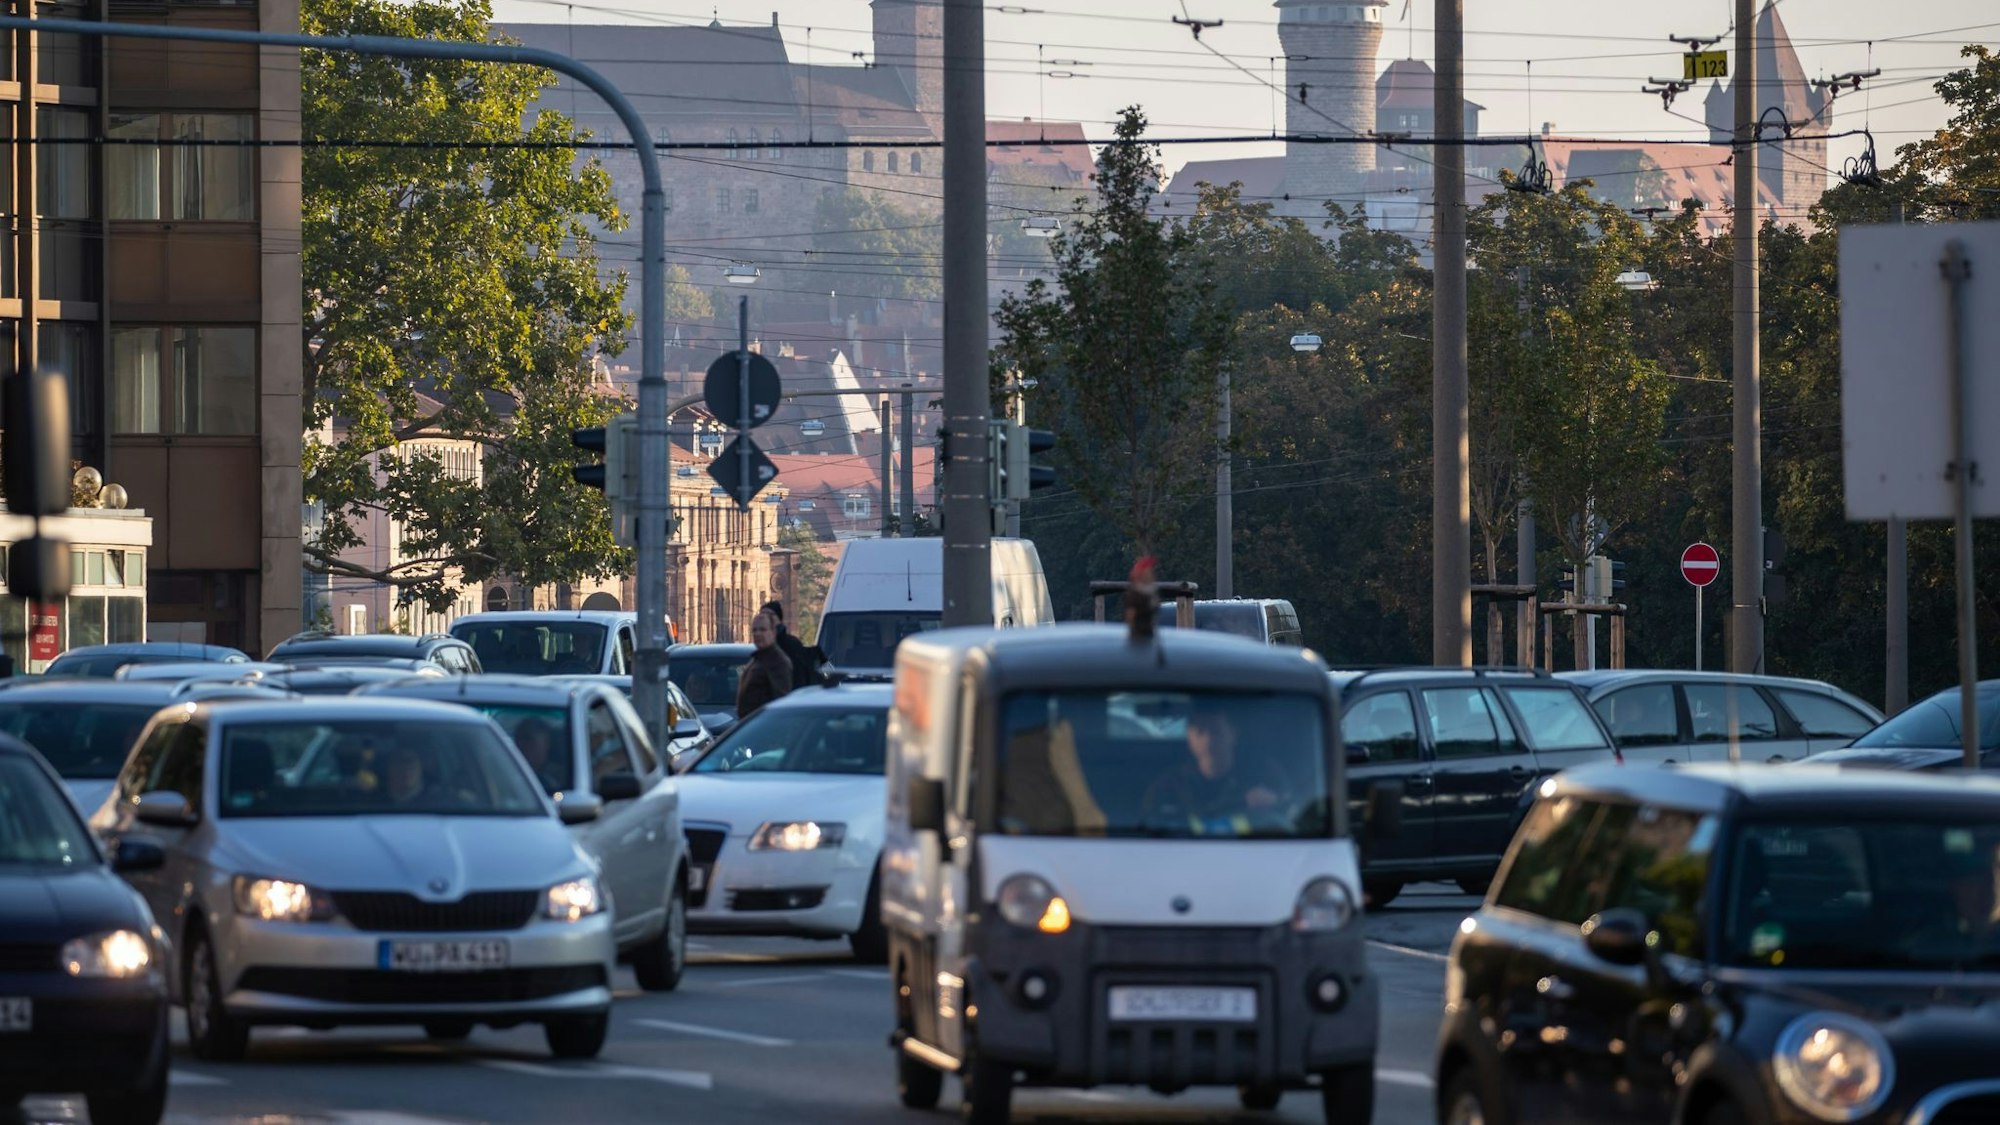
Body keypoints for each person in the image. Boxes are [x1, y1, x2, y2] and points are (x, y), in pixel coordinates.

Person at [1140, 703, 1287, 835]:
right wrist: (1242, 801)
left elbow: (1292, 812)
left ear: (1233, 735)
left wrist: (1274, 801)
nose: (1208, 740)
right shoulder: (1167, 786)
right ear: (1189, 739)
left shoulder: (1264, 775)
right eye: (1200, 732)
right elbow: (1148, 829)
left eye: (1216, 731)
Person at [737, 611, 794, 718]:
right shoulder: (757, 659)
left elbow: (780, 702)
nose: (757, 634)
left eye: (763, 629)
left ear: (773, 632)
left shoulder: (777, 661)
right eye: (754, 630)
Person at [761, 600, 824, 687]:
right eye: (762, 616)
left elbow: (798, 676)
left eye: (769, 615)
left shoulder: (791, 644)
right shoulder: (762, 648)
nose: (765, 619)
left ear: (778, 619)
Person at [512, 717, 565, 794]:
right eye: (519, 740)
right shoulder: (505, 771)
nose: (523, 746)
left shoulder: (561, 777)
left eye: (529, 741)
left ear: (548, 744)